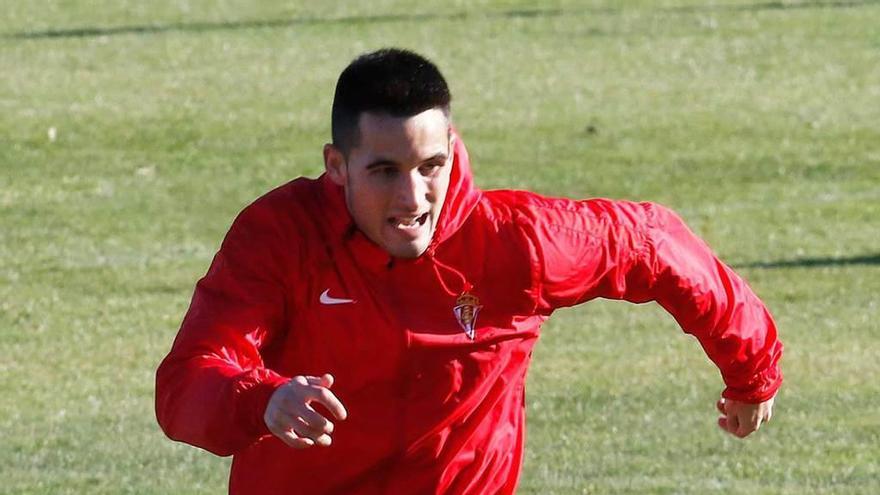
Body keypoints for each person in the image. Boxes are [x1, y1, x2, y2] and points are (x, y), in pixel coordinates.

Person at [155, 48, 782, 494]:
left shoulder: (516, 242)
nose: (413, 197)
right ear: (338, 164)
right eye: (384, 171)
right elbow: (186, 384)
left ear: (452, 152)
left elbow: (652, 242)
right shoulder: (281, 236)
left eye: (430, 165)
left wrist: (752, 371)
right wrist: (264, 398)